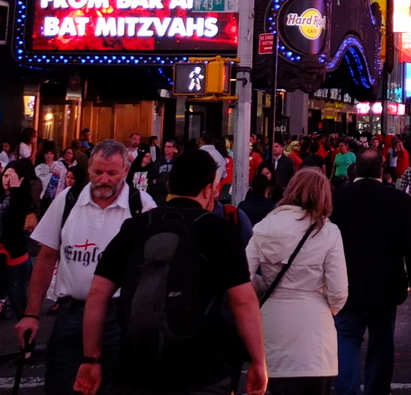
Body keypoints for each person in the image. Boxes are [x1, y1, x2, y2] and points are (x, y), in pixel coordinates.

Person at [71, 149, 267, 395]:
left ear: (170, 184)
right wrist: (258, 361)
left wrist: (92, 359)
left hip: (135, 371)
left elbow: (98, 293)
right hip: (201, 373)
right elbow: (243, 302)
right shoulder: (220, 231)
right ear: (208, 189)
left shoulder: (136, 226)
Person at [15, 139, 154, 395]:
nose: (104, 179)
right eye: (98, 172)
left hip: (120, 317)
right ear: (88, 167)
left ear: (126, 170)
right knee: (63, 386)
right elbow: (46, 258)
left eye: (112, 173)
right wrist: (31, 314)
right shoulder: (67, 201)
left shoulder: (142, 206)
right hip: (72, 315)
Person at [330, 149, 411, 395]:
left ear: (356, 169)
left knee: (346, 341)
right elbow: (410, 243)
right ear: (382, 170)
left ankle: (347, 390)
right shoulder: (397, 199)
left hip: (346, 283)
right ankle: (376, 390)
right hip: (386, 285)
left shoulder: (339, 197)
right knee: (381, 344)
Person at [248, 168, 347, 395]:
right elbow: (339, 291)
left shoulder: (265, 227)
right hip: (315, 332)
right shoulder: (329, 232)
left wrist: (264, 287)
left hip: (273, 324)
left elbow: (243, 276)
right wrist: (325, 309)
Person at [0, 159, 38, 317]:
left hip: (15, 256)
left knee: (18, 301)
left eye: (12, 177)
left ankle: (28, 339)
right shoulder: (2, 197)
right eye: (5, 175)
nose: (7, 180)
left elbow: (12, 225)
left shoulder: (23, 199)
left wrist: (16, 191)